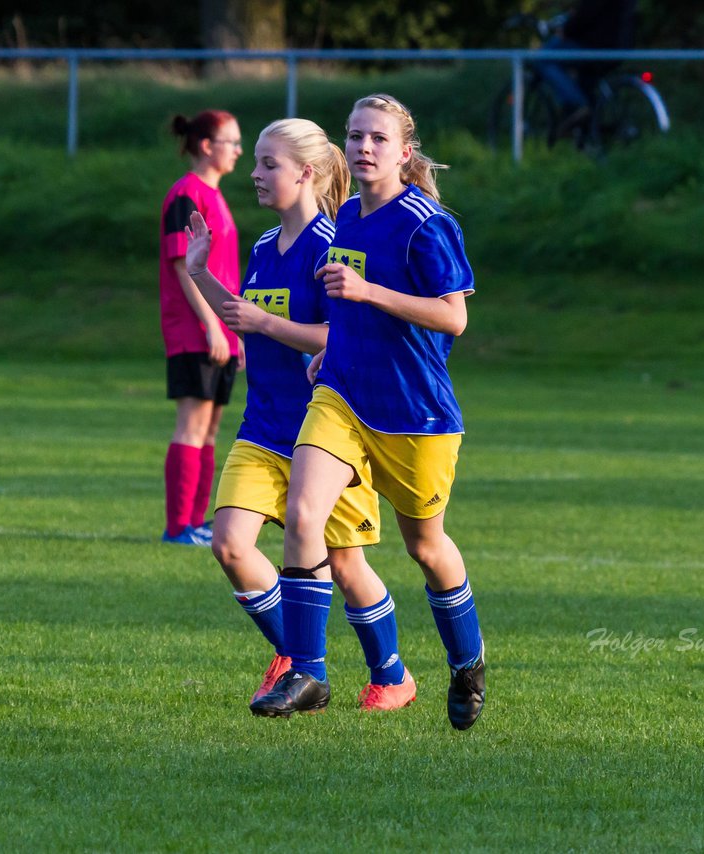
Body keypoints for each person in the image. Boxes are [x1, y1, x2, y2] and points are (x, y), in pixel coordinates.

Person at [252, 94, 487, 730]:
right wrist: (333, 352)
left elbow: (454, 317)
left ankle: (467, 664)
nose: (363, 147)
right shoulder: (347, 216)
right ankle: (307, 671)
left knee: (426, 547)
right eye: (355, 136)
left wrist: (368, 293)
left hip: (416, 413)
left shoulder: (425, 223)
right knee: (302, 514)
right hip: (343, 396)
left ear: (404, 152)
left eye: (378, 138)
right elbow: (345, 312)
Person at [185, 118, 416, 714]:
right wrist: (199, 272)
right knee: (231, 544)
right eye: (257, 162)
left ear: (306, 172)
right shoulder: (265, 246)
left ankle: (391, 675)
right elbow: (244, 317)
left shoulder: (331, 244)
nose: (256, 175)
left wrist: (269, 326)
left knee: (344, 562)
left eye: (268, 165)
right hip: (262, 427)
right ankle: (299, 660)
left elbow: (341, 334)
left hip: (328, 430)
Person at [158, 110, 244, 546]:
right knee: (191, 425)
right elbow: (181, 266)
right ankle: (178, 528)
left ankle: (196, 522)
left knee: (210, 428)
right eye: (231, 142)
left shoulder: (216, 195)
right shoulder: (185, 195)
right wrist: (212, 325)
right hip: (194, 330)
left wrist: (236, 331)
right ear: (207, 146)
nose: (239, 151)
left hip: (221, 330)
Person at [537, 0, 638, 133]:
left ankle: (577, 105)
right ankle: (588, 133)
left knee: (543, 57)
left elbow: (588, 14)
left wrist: (566, 30)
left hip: (596, 47)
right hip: (618, 46)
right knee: (585, 80)